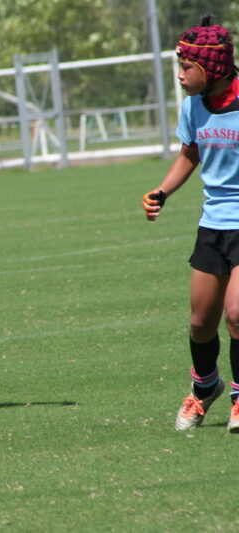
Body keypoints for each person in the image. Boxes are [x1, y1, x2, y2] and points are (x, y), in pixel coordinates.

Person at [142, 16, 239, 432]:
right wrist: (162, 192)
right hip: (212, 223)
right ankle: (205, 388)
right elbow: (189, 155)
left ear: (211, 68)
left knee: (237, 314)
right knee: (201, 322)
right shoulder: (193, 106)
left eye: (186, 67)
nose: (180, 76)